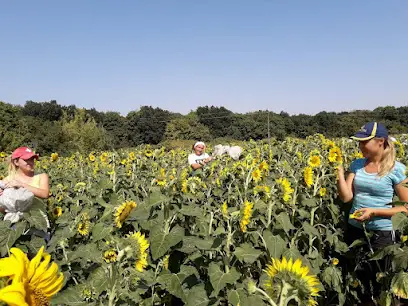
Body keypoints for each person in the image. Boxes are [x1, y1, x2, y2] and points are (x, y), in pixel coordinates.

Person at [337, 122, 408, 304]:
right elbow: (346, 198)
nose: (360, 146)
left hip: (382, 233)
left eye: (364, 142)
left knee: (380, 283)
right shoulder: (357, 164)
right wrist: (338, 173)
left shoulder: (396, 169)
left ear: (380, 142)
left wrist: (374, 212)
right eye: (359, 142)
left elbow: (405, 208)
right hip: (356, 228)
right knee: (359, 281)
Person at [0, 147, 51, 242]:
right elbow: (4, 209)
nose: (31, 162)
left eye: (32, 159)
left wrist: (22, 185)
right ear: (16, 162)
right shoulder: (7, 181)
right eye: (27, 159)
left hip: (38, 225)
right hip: (14, 225)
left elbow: (45, 194)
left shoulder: (41, 177)